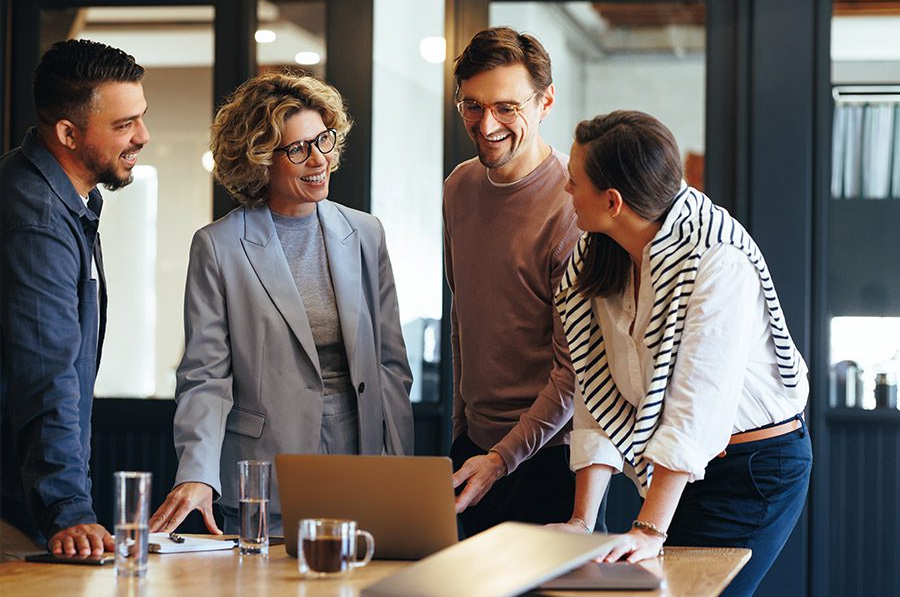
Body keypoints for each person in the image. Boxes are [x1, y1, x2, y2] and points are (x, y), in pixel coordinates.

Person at [552, 110, 811, 596]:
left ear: (612, 201)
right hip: (680, 474)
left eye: (573, 182)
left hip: (754, 470)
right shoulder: (599, 254)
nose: (566, 191)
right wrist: (581, 522)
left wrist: (649, 530)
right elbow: (595, 387)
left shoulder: (717, 260)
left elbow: (699, 409)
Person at [149, 72, 414, 536]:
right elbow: (204, 376)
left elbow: (391, 365)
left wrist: (399, 470)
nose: (319, 160)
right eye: (297, 149)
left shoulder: (366, 233)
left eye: (324, 141)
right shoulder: (219, 246)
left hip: (363, 460)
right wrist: (197, 472)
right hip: (265, 468)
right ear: (260, 159)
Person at [444, 27, 605, 538]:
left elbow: (574, 369)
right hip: (472, 451)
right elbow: (463, 318)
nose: (486, 124)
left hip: (549, 457)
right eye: (472, 105)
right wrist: (463, 435)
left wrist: (501, 457)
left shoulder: (573, 207)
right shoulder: (459, 186)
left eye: (506, 107)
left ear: (546, 102)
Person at [0, 39, 149, 560]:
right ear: (67, 132)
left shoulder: (65, 200)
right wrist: (68, 508)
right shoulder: (37, 217)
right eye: (124, 124)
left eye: (141, 118)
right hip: (16, 509)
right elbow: (47, 372)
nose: (142, 136)